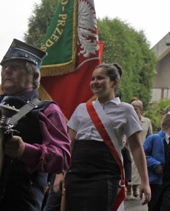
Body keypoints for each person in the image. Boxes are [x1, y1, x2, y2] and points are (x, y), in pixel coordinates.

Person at [0, 38, 71, 211]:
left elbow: (62, 156)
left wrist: (25, 150)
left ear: (34, 76)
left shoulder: (47, 110)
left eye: (15, 67)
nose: (7, 71)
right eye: (5, 67)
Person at [64, 63, 151, 210]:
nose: (95, 82)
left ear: (114, 83)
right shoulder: (81, 108)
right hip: (77, 172)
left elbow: (136, 147)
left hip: (104, 173)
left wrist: (145, 181)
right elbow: (68, 144)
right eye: (92, 79)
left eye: (100, 78)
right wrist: (61, 173)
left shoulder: (126, 110)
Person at [144, 113, 170, 211]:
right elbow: (143, 155)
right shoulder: (153, 138)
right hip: (155, 182)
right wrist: (155, 164)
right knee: (154, 206)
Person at [129, 99, 153, 198]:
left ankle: (136, 188)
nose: (135, 111)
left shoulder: (146, 121)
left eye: (136, 109)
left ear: (141, 110)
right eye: (133, 109)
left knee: (138, 170)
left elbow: (150, 135)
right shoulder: (128, 120)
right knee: (129, 169)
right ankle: (128, 190)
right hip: (129, 148)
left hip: (141, 148)